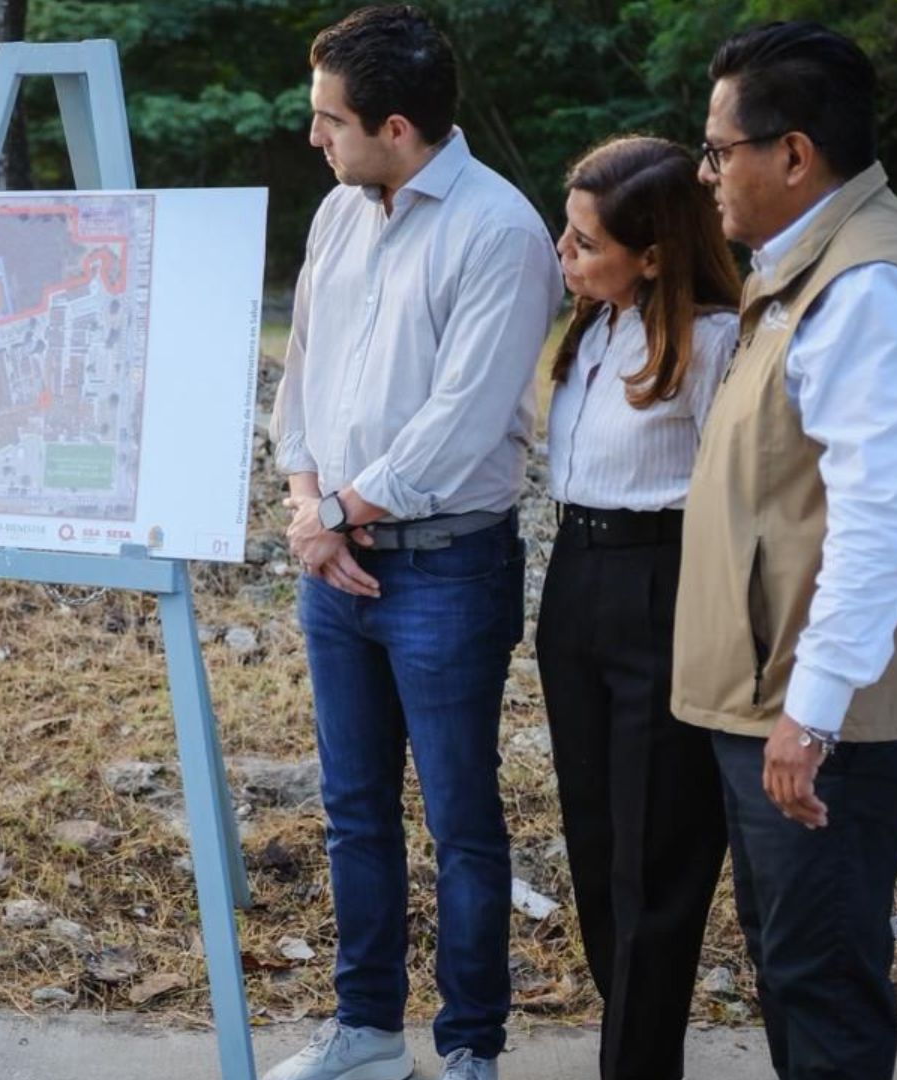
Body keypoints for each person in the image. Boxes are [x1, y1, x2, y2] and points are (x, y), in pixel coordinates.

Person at [676, 21, 897, 1080]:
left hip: (824, 716)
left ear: (793, 153)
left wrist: (811, 714)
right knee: (794, 965)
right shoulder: (806, 269)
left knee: (821, 982)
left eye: (719, 148)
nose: (706, 172)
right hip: (786, 698)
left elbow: (877, 521)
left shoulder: (867, 288)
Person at [266, 7, 560, 1079]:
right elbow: (302, 371)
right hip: (332, 561)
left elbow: (464, 421)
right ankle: (368, 1034)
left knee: (461, 819)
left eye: (328, 120)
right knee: (351, 810)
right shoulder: (341, 214)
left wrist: (339, 512)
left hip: (446, 565)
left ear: (396, 126)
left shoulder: (500, 232)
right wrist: (311, 507)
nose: (315, 138)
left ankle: (472, 1045)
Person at [537, 135, 739, 1080]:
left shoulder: (712, 343)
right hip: (575, 582)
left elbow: (734, 501)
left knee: (655, 858)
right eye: (565, 234)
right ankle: (636, 1048)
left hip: (663, 585)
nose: (564, 257)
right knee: (594, 839)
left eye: (584, 243)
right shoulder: (597, 325)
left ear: (653, 251)